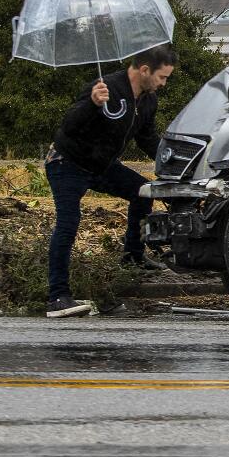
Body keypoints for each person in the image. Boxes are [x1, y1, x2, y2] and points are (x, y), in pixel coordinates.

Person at [44, 44, 175, 318]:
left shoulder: (148, 99)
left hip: (102, 167)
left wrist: (174, 162)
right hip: (67, 164)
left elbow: (147, 138)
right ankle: (57, 297)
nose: (164, 83)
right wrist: (92, 104)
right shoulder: (104, 88)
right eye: (162, 77)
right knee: (68, 223)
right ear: (144, 70)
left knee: (143, 193)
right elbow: (68, 125)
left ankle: (133, 256)